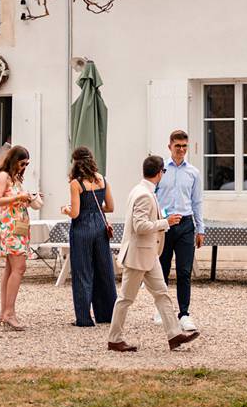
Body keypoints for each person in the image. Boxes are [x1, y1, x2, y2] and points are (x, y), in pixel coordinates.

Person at [107, 154, 199, 353]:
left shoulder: (142, 190)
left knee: (162, 294)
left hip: (149, 255)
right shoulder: (144, 194)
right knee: (126, 298)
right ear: (160, 173)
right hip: (138, 256)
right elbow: (139, 226)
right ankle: (114, 339)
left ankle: (174, 336)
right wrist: (166, 223)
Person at [60, 145, 116, 327]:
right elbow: (110, 207)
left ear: (75, 162)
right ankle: (107, 314)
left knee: (83, 271)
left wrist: (66, 209)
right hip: (100, 227)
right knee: (104, 270)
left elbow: (75, 213)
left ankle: (84, 318)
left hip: (82, 228)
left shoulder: (76, 184)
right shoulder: (102, 180)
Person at [155, 128, 205, 332]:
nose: (181, 150)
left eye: (184, 146)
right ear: (170, 147)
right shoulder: (161, 170)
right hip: (165, 225)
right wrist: (162, 219)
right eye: (178, 146)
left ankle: (184, 313)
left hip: (185, 224)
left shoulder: (193, 172)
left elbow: (197, 201)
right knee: (161, 269)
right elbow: (153, 197)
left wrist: (200, 229)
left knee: (184, 271)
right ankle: (161, 310)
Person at [0, 144, 42, 330]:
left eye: (27, 164)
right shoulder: (4, 176)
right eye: (22, 163)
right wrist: (18, 198)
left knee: (11, 269)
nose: (24, 167)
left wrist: (28, 198)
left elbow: (14, 200)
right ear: (14, 160)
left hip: (17, 227)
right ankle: (9, 312)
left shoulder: (15, 178)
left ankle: (5, 312)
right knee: (19, 268)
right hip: (9, 228)